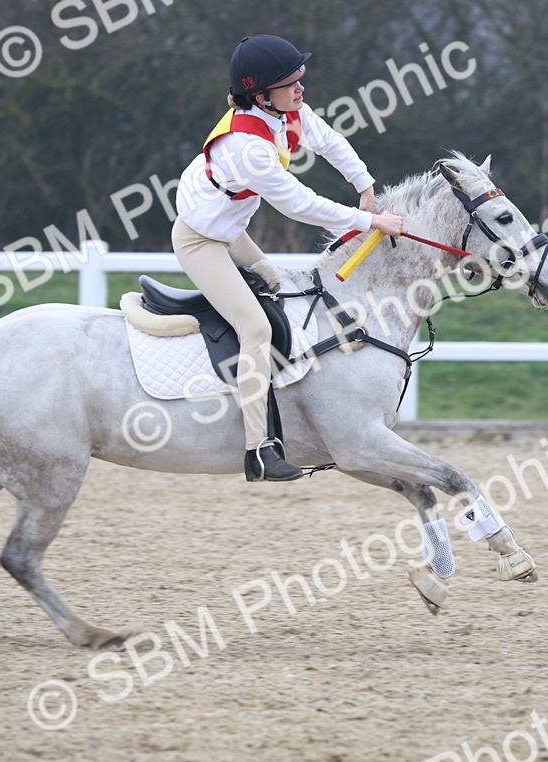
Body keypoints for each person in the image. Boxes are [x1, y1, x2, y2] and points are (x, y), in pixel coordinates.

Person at [173, 34, 406, 482]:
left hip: (229, 231)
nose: (301, 88)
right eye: (290, 83)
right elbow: (299, 204)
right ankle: (257, 450)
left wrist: (365, 185)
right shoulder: (247, 146)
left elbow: (330, 142)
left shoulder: (287, 114)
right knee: (256, 327)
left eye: (300, 78)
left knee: (287, 292)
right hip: (201, 241)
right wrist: (369, 220)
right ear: (262, 95)